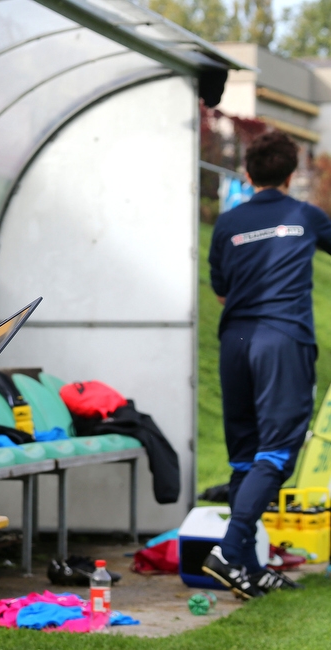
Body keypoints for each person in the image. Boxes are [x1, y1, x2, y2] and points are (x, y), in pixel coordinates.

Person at [202, 131, 331, 599]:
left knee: (244, 457)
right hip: (282, 340)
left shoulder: (228, 222)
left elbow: (220, 290)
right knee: (276, 452)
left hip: (235, 341)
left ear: (248, 173)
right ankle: (230, 550)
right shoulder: (304, 215)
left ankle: (249, 570)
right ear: (292, 174)